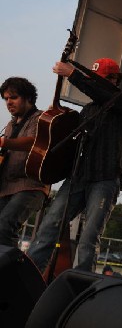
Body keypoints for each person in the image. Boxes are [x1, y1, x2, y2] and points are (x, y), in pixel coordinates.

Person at [28, 58, 122, 272]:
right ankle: (29, 274)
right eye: (93, 79)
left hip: (106, 177)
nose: (95, 83)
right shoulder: (87, 110)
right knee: (49, 226)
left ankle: (80, 287)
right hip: (77, 176)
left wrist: (73, 75)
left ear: (115, 80)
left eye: (101, 79)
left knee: (89, 237)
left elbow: (106, 96)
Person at [0, 77, 49, 248]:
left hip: (30, 185)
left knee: (5, 227)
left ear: (28, 97)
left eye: (13, 97)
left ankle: (9, 272)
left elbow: (35, 142)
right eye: (6, 99)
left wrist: (4, 142)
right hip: (6, 187)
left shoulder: (41, 119)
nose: (8, 102)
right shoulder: (9, 126)